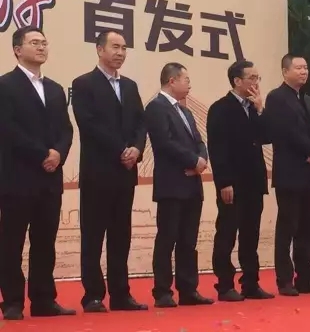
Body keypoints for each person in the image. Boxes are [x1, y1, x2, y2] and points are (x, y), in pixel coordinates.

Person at [0, 26, 75, 320]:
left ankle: (44, 300)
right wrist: (42, 154)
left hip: (49, 178)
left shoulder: (55, 88)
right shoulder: (5, 85)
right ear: (18, 50)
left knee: (45, 242)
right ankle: (12, 302)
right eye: (34, 42)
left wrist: (58, 154)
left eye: (44, 42)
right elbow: (8, 129)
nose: (42, 47)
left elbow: (66, 129)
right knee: (12, 242)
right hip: (17, 176)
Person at [71, 30, 148, 313]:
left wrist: (136, 149)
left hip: (125, 173)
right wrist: (121, 150)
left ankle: (120, 294)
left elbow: (141, 123)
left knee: (120, 235)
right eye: (115, 47)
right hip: (98, 172)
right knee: (93, 236)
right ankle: (93, 295)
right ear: (99, 49)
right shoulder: (83, 84)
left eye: (124, 48)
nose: (120, 53)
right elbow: (88, 124)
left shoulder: (129, 85)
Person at [145, 63, 213, 308]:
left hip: (192, 183)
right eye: (186, 79)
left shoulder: (185, 111)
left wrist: (201, 160)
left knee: (188, 240)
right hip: (171, 184)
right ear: (172, 81)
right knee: (167, 239)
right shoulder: (156, 107)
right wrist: (193, 160)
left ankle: (188, 289)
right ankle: (163, 291)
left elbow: (199, 141)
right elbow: (164, 142)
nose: (189, 84)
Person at [265, 54, 310, 296]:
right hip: (290, 171)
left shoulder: (308, 99)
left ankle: (306, 278)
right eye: (298, 68)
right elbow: (286, 132)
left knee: (307, 228)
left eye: (305, 67)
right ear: (285, 71)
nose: (304, 72)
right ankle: (285, 280)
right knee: (288, 227)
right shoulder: (276, 98)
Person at [207, 60, 275, 301]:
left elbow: (267, 136)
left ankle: (250, 283)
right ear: (237, 81)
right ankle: (225, 284)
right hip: (232, 183)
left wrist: (260, 110)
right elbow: (217, 148)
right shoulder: (220, 108)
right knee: (227, 233)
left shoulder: (255, 107)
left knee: (251, 234)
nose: (256, 83)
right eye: (252, 78)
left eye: (258, 78)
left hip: (254, 181)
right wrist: (224, 182)